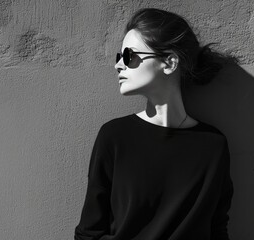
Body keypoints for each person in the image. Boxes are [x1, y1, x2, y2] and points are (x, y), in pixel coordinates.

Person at [74, 8, 234, 240]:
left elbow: (217, 230)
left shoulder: (214, 145)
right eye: (119, 57)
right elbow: (89, 233)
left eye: (129, 56)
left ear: (169, 62)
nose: (119, 65)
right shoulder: (115, 137)